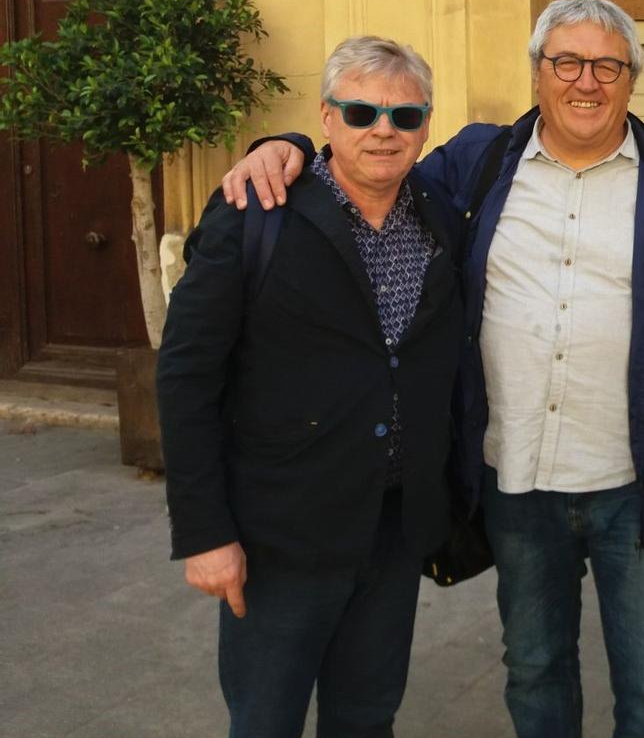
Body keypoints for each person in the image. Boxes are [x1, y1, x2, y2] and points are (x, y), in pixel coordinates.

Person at [223, 0, 644, 738]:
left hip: (642, 485)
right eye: (566, 62)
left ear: (632, 79)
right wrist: (282, 144)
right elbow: (372, 156)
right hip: (517, 483)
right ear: (538, 73)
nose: (586, 82)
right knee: (535, 669)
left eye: (608, 65)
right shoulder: (478, 163)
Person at [157, 37, 462, 738]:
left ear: (426, 123)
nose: (383, 129)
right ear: (326, 119)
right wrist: (205, 534)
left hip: (391, 529)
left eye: (404, 115)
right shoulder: (254, 211)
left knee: (367, 717)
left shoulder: (438, 214)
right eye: (360, 111)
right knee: (265, 721)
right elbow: (185, 375)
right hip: (280, 539)